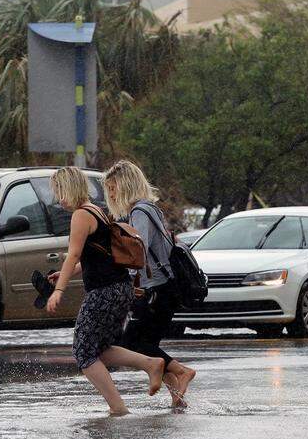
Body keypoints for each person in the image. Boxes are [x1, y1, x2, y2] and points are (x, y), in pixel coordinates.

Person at [45, 166, 165, 416]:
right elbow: (95, 255)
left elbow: (74, 254)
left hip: (104, 291)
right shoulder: (96, 210)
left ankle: (118, 407)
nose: (58, 198)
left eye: (60, 191)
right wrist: (73, 272)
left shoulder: (81, 214)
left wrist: (59, 289)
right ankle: (150, 363)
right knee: (100, 348)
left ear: (71, 188)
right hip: (119, 288)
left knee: (83, 353)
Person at [103, 160, 196, 408]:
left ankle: (182, 371)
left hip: (155, 289)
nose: (110, 194)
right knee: (148, 346)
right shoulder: (150, 208)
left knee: (132, 343)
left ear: (126, 185)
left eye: (113, 188)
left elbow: (137, 249)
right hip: (164, 288)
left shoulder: (139, 212)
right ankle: (177, 394)